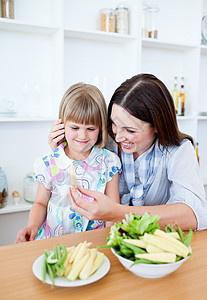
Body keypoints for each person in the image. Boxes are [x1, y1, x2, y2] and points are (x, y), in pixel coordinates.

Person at [48, 74, 207, 231]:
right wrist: (63, 152)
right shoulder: (106, 141)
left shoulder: (178, 150)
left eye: (130, 130)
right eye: (114, 124)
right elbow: (78, 175)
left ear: (158, 125)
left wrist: (117, 213)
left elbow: (194, 214)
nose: (117, 136)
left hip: (156, 240)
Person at [15, 83, 121, 243]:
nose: (82, 135)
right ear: (62, 125)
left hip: (93, 244)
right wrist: (32, 227)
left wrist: (110, 241)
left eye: (91, 129)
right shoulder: (50, 162)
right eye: (75, 127)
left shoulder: (109, 162)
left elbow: (113, 210)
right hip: (52, 243)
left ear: (101, 128)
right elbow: (40, 203)